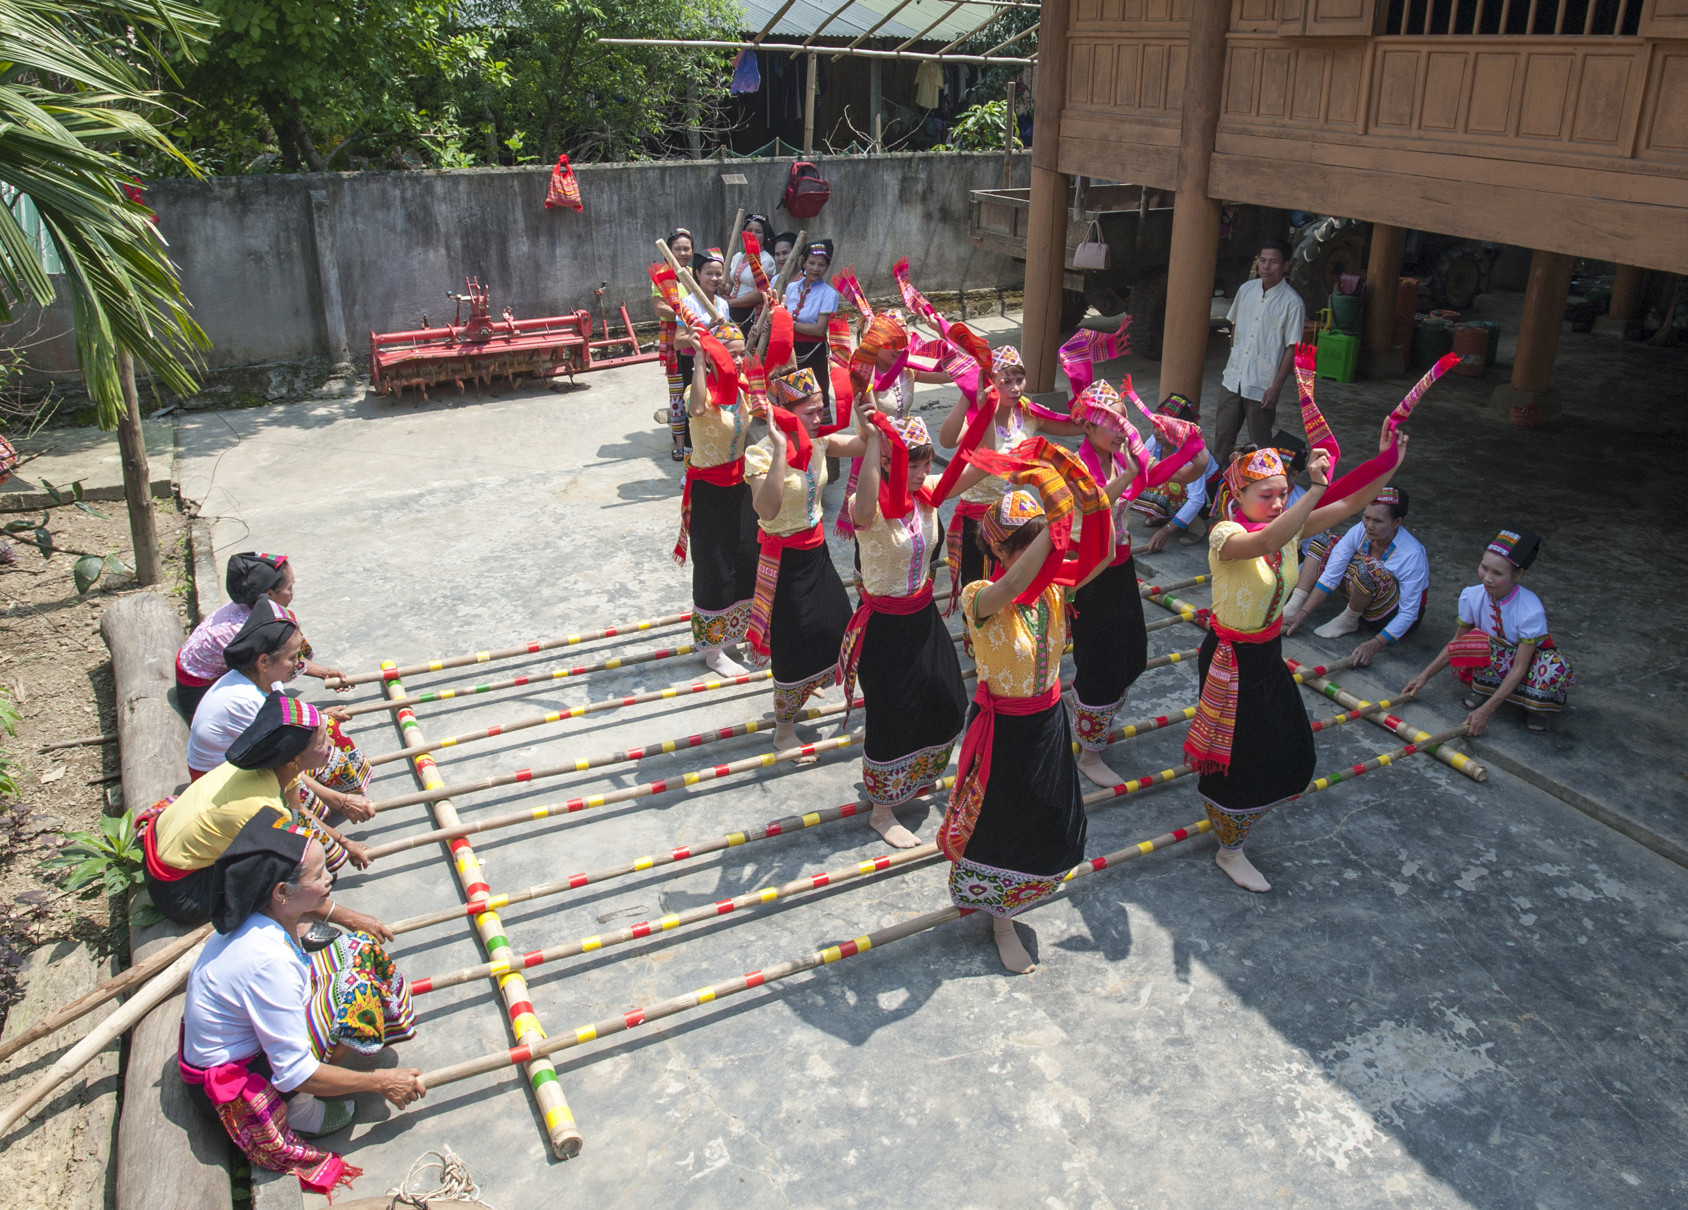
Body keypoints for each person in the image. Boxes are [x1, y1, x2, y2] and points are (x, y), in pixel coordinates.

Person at [1185, 433, 1407, 894]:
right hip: (1231, 658)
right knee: (1236, 757)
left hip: (1266, 655)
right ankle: (1229, 848)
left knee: (1289, 745)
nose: (1277, 502)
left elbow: (1350, 505)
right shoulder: (1226, 534)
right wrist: (1315, 490)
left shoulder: (1289, 525)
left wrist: (1389, 462)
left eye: (1283, 492)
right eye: (1266, 494)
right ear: (1236, 495)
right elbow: (1271, 535)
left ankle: (1236, 825)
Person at [181, 812, 421, 1196]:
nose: (330, 880)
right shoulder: (266, 961)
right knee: (353, 988)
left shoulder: (262, 917)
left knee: (357, 949)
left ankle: (323, 1072)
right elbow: (294, 1072)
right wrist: (380, 1082)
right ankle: (301, 1109)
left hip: (243, 1046)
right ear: (281, 892)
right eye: (318, 875)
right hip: (244, 1079)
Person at [939, 485, 1106, 974]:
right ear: (996, 548)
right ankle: (1001, 921)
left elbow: (1100, 558)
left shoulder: (1053, 589)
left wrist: (1095, 499)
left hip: (1049, 723)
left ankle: (1023, 891)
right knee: (1001, 828)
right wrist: (1060, 520)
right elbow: (1011, 587)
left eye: (1043, 538)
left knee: (1047, 818)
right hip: (1006, 731)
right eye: (1025, 542)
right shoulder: (980, 596)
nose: (1042, 550)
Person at [837, 413, 966, 848]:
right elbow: (867, 505)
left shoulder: (927, 497)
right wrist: (874, 442)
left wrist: (985, 406)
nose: (922, 473)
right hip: (885, 628)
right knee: (891, 716)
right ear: (890, 463)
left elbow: (976, 470)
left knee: (949, 699)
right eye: (912, 464)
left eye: (926, 463)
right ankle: (882, 809)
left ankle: (914, 775)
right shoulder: (866, 507)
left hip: (922, 616)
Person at [144, 693, 382, 923]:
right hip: (182, 888)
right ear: (293, 760)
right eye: (321, 741)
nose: (330, 743)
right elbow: (283, 882)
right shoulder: (260, 810)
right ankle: (298, 924)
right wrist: (351, 918)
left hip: (168, 844)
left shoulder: (274, 767)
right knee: (290, 882)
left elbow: (297, 813)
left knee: (313, 853)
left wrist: (344, 843)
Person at [743, 367, 868, 757]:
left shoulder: (820, 442)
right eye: (811, 412)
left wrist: (866, 416)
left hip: (816, 551)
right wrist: (781, 449)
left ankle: (808, 682)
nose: (820, 419)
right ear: (784, 414)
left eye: (821, 410)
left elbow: (864, 444)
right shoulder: (759, 454)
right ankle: (783, 730)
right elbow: (766, 507)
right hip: (783, 563)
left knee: (835, 625)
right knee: (791, 644)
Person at [188, 603, 373, 826]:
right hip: (219, 783)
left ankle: (347, 792)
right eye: (293, 658)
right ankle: (325, 812)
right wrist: (340, 801)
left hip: (254, 759)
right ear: (264, 661)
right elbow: (285, 764)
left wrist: (321, 715)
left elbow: (286, 718)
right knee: (306, 776)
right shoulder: (246, 700)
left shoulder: (264, 677)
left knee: (326, 728)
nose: (297, 665)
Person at [936, 346, 1083, 600]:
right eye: (1006, 382)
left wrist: (1096, 411)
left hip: (1016, 521)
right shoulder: (974, 416)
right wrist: (968, 394)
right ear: (990, 382)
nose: (1015, 388)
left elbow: (1073, 427)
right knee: (981, 591)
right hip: (979, 524)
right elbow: (947, 440)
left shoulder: (1027, 415)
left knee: (1016, 590)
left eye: (1019, 380)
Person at [1403, 528, 1572, 735]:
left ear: (1518, 575)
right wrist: (1424, 676)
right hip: (1498, 656)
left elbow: (1520, 666)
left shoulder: (1530, 610)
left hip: (1529, 664)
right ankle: (1484, 689)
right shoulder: (1471, 596)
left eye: (1498, 573)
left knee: (1553, 668)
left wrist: (1487, 711)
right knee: (1477, 640)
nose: (1487, 578)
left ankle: (1537, 708)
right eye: (1484, 568)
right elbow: (1458, 642)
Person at [673, 322, 760, 676]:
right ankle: (713, 651)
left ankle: (735, 634)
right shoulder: (702, 393)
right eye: (731, 355)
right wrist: (698, 360)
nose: (738, 361)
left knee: (745, 558)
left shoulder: (743, 388)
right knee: (714, 566)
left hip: (739, 486)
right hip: (709, 493)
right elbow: (694, 409)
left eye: (741, 354)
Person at [177, 554, 349, 719]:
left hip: (202, 675)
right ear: (269, 594)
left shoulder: (249, 606)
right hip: (199, 693)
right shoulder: (250, 629)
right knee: (272, 680)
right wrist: (319, 718)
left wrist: (324, 673)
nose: (293, 593)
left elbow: (285, 656)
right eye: (289, 588)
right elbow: (279, 661)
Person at [1283, 486, 1428, 667]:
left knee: (1369, 568)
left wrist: (1374, 644)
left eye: (1378, 521)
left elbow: (1409, 613)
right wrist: (1302, 614)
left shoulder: (1412, 554)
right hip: (1362, 594)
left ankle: (1350, 619)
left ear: (1397, 522)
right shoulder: (1361, 530)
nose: (1369, 525)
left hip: (1390, 615)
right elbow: (1332, 574)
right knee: (1323, 541)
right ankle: (1295, 604)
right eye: (1366, 517)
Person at [1214, 239, 1305, 471]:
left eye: (1273, 262)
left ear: (1285, 265)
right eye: (1262, 260)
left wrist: (1276, 386)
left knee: (1261, 442)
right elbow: (1234, 327)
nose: (1266, 266)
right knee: (1222, 438)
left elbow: (1291, 348)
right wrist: (1235, 359)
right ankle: (1213, 492)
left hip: (1263, 384)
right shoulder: (1246, 290)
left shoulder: (1292, 303)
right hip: (1233, 378)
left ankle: (1264, 489)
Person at [783, 240, 841, 425]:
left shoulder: (829, 294)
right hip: (790, 350)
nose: (816, 268)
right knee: (793, 396)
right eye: (811, 263)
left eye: (821, 265)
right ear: (803, 263)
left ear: (827, 267)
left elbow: (819, 329)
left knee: (818, 395)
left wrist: (788, 323)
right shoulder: (791, 287)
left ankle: (825, 444)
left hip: (814, 351)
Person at [653, 227, 696, 461]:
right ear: (668, 250)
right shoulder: (663, 273)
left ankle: (693, 436)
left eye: (686, 248)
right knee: (678, 388)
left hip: (693, 330)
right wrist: (684, 314)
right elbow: (659, 307)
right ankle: (680, 441)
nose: (682, 252)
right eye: (677, 248)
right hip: (674, 333)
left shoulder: (693, 273)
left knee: (695, 384)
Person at [725, 214, 776, 326]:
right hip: (731, 310)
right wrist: (724, 289)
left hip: (750, 314)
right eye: (749, 230)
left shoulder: (766, 261)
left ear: (765, 235)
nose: (753, 235)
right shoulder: (738, 256)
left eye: (758, 231)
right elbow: (730, 281)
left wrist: (730, 302)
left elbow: (759, 294)